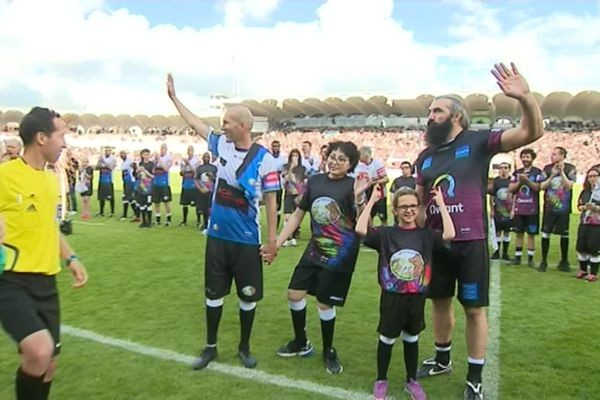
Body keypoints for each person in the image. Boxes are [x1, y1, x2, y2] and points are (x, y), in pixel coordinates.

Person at [414, 63, 543, 400]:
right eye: (429, 111)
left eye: (437, 110)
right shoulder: (425, 157)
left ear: (457, 116)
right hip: (435, 242)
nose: (430, 116)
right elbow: (418, 200)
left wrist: (525, 98)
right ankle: (443, 360)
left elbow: (531, 133)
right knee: (439, 303)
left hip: (470, 240)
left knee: (474, 309)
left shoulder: (479, 141)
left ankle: (474, 377)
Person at [167, 74, 280, 370]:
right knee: (213, 295)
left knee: (248, 297)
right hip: (217, 239)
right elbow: (196, 124)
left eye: (228, 121)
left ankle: (244, 347)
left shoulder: (266, 160)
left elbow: (271, 201)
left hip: (246, 241)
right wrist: (175, 99)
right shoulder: (221, 146)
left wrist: (272, 240)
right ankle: (211, 347)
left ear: (242, 126)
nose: (222, 126)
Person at [0, 107, 88, 400]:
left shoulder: (50, 179)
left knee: (49, 364)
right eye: (61, 135)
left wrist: (71, 257)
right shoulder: (5, 175)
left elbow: (49, 227)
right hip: (10, 280)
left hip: (46, 282)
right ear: (41, 138)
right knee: (39, 351)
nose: (64, 142)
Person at [274, 141, 367, 374]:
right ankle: (301, 342)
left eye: (342, 159)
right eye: (333, 156)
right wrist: (276, 242)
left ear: (350, 164)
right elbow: (297, 216)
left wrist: (358, 198)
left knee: (324, 302)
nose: (335, 162)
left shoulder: (352, 185)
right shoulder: (315, 181)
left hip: (340, 253)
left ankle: (328, 350)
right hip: (315, 248)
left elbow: (363, 221)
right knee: (294, 293)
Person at [356, 186, 455, 400]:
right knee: (387, 338)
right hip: (392, 297)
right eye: (403, 207)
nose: (409, 210)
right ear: (395, 210)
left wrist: (441, 205)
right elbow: (361, 229)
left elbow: (450, 234)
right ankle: (381, 379)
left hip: (416, 297)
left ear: (419, 208)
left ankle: (412, 381)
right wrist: (372, 200)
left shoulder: (426, 235)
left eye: (413, 206)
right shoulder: (386, 234)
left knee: (412, 338)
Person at [539, 146, 577, 272]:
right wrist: (552, 175)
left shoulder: (570, 168)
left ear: (562, 156)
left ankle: (564, 261)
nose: (552, 156)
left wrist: (561, 173)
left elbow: (569, 186)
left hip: (563, 209)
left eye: (555, 154)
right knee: (546, 234)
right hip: (549, 208)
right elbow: (542, 186)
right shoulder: (547, 168)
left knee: (564, 234)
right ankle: (543, 261)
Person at [509, 148, 543, 268]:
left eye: (527, 157)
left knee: (531, 234)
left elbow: (538, 188)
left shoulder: (537, 172)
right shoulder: (516, 172)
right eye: (523, 156)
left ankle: (530, 259)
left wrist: (526, 180)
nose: (525, 159)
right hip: (519, 208)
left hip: (532, 209)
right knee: (518, 233)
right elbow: (511, 189)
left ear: (532, 158)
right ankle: (517, 257)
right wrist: (519, 182)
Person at [574, 167, 600, 282]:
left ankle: (593, 273)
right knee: (581, 247)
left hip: (597, 224)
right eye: (590, 176)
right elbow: (579, 206)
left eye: (595, 176)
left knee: (593, 248)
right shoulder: (585, 191)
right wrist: (583, 207)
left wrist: (595, 208)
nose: (592, 178)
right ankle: (583, 270)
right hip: (584, 222)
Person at [355, 146, 390, 226]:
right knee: (368, 216)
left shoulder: (377, 164)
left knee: (383, 217)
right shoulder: (359, 166)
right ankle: (371, 234)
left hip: (378, 194)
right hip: (366, 194)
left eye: (360, 155)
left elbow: (386, 179)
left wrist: (375, 182)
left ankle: (384, 234)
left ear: (366, 155)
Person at [281, 148, 307, 247]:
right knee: (287, 216)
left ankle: (293, 237)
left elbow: (296, 181)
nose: (294, 158)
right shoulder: (285, 167)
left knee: (296, 217)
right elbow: (286, 178)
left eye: (296, 156)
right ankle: (288, 238)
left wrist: (293, 171)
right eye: (293, 156)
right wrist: (291, 168)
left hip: (298, 195)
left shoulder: (302, 169)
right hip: (288, 194)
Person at [488, 162, 513, 261]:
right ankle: (497, 251)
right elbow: (492, 196)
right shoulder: (495, 181)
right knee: (497, 232)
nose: (503, 170)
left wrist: (513, 210)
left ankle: (505, 253)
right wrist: (492, 210)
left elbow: (514, 195)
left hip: (508, 210)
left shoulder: (511, 181)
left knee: (507, 232)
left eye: (505, 168)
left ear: (509, 169)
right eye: (501, 168)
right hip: (498, 210)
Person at [194, 152, 217, 233]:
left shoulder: (214, 168)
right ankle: (205, 224)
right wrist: (201, 189)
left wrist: (212, 176)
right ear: (202, 158)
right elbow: (196, 180)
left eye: (207, 157)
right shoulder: (199, 168)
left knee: (211, 208)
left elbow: (217, 180)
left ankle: (211, 224)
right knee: (204, 209)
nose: (206, 158)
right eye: (205, 157)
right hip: (202, 191)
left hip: (211, 191)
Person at [152, 143, 174, 226]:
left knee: (166, 202)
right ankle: (158, 220)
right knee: (156, 202)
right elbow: (153, 171)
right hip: (156, 183)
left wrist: (159, 160)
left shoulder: (168, 158)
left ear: (166, 149)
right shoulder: (156, 159)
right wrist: (155, 161)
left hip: (164, 184)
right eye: (161, 148)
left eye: (164, 148)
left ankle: (168, 220)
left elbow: (166, 169)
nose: (162, 150)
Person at [179, 145, 200, 226]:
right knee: (184, 204)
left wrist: (189, 164)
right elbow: (181, 173)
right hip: (185, 184)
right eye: (188, 150)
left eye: (191, 150)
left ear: (193, 151)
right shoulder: (183, 161)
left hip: (194, 185)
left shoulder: (196, 161)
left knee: (196, 204)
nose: (189, 152)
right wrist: (184, 166)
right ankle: (184, 221)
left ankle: (198, 221)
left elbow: (196, 172)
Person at [135, 149, 155, 228]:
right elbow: (138, 176)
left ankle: (149, 222)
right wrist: (137, 171)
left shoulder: (151, 164)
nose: (146, 156)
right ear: (142, 155)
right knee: (142, 204)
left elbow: (153, 176)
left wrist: (145, 171)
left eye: (148, 154)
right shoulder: (140, 164)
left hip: (149, 187)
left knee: (149, 204)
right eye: (145, 154)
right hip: (141, 186)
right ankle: (144, 221)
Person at [95, 146, 116, 217]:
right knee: (101, 197)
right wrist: (100, 162)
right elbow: (97, 167)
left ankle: (112, 212)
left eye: (108, 150)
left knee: (111, 197)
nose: (107, 152)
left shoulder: (113, 158)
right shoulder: (102, 157)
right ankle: (101, 212)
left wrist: (104, 162)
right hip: (101, 179)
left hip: (109, 180)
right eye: (106, 150)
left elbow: (111, 168)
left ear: (111, 151)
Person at [271, 140, 287, 228]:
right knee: (271, 206)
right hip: (269, 185)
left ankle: (275, 226)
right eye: (274, 146)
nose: (275, 148)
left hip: (279, 185)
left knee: (277, 207)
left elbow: (284, 171)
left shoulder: (283, 159)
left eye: (277, 146)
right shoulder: (268, 157)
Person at [119, 150, 136, 221]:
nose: (122, 155)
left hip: (130, 181)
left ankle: (125, 215)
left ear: (126, 154)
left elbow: (134, 166)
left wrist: (134, 167)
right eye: (121, 154)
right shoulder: (123, 163)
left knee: (127, 197)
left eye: (123, 154)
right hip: (125, 182)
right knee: (128, 198)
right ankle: (136, 213)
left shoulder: (129, 161)